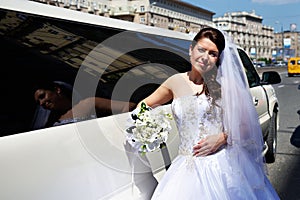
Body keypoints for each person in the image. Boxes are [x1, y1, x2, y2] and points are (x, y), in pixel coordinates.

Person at [135, 27, 280, 199]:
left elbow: (248, 126)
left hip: (222, 165)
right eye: (201, 49)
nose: (205, 57)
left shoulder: (226, 85)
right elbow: (143, 106)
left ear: (218, 58)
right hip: (185, 167)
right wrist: (153, 127)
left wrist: (223, 138)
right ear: (191, 49)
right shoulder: (174, 82)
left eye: (213, 53)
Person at [33, 80, 136, 127]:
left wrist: (117, 131)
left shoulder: (88, 104)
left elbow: (129, 107)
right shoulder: (52, 123)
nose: (41, 103)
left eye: (42, 96)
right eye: (38, 102)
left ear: (57, 90)